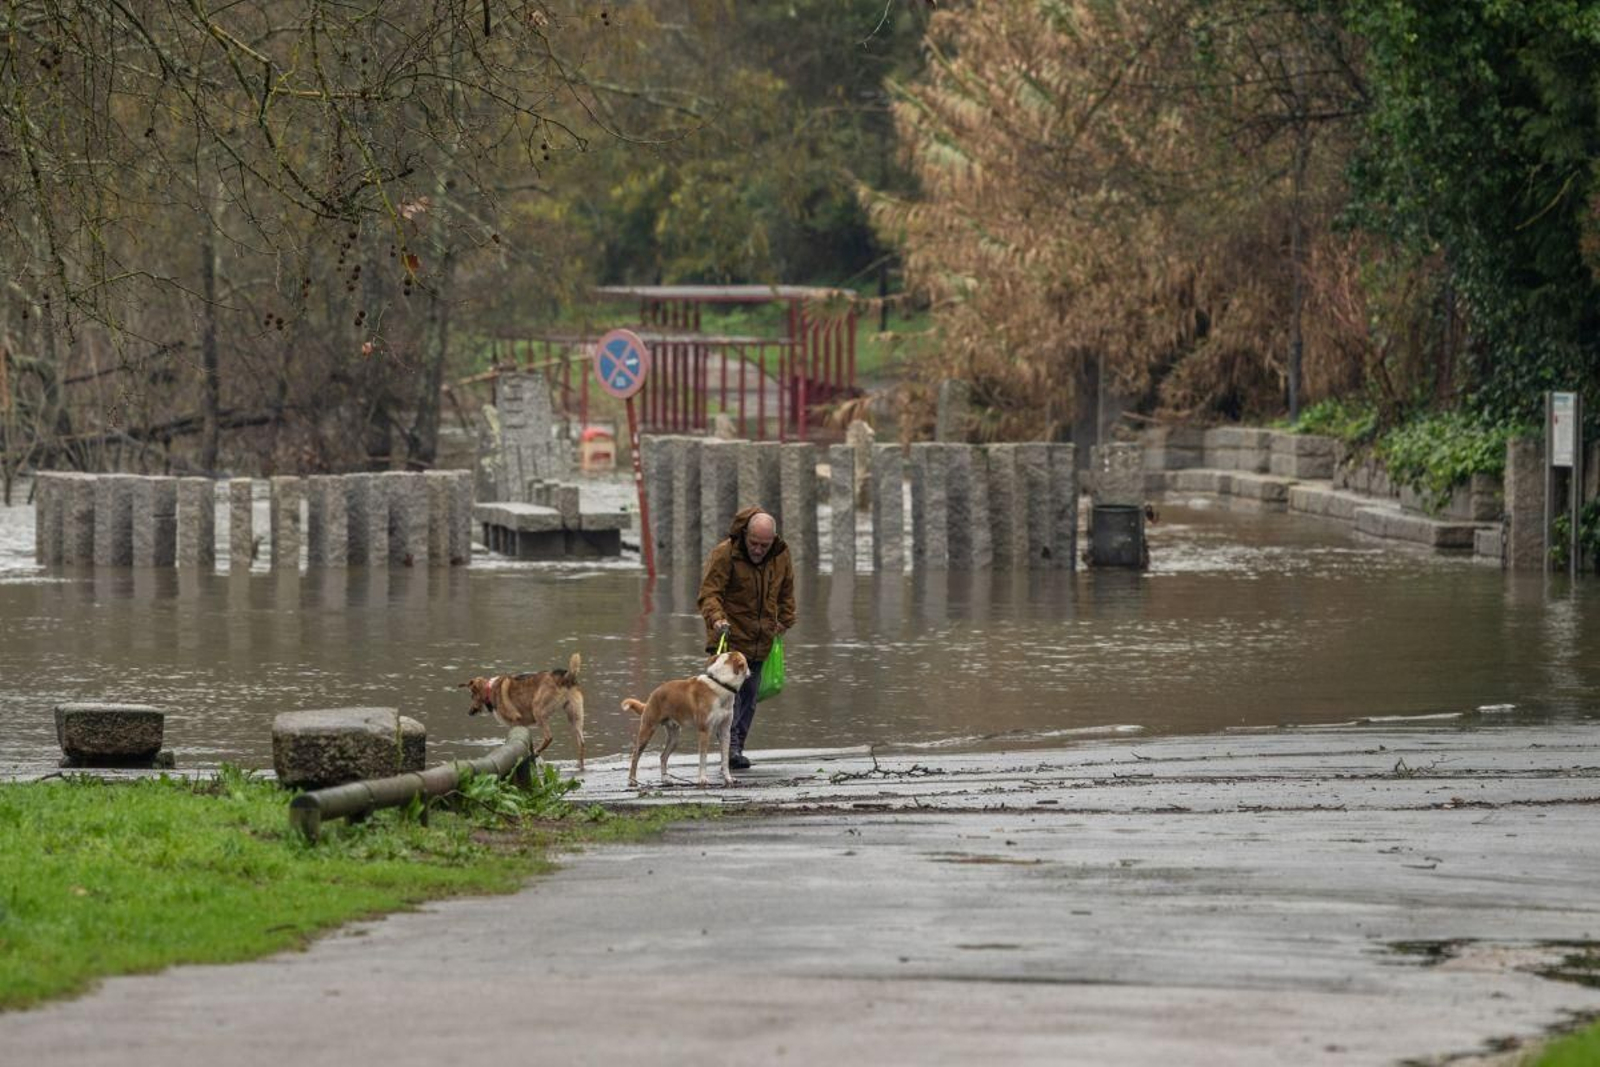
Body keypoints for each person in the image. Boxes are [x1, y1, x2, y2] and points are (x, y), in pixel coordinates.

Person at [698, 505, 796, 769]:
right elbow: (709, 593)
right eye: (754, 543)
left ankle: (735, 746)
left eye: (764, 545)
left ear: (772, 541)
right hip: (729, 638)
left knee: (749, 698)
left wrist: (785, 620)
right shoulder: (725, 553)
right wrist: (717, 618)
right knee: (730, 698)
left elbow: (787, 590)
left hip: (762, 638)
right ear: (745, 536)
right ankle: (727, 748)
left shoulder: (781, 555)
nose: (758, 550)